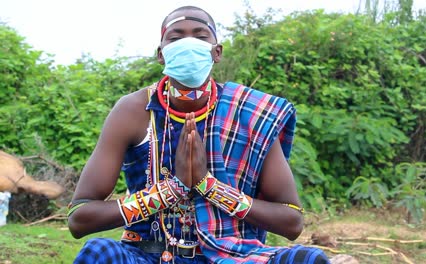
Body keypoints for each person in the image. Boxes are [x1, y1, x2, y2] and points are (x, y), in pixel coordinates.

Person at [67, 5, 330, 264]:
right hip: (147, 255)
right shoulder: (133, 111)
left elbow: (292, 220)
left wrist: (208, 186)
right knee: (98, 253)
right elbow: (80, 217)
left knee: (307, 259)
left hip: (234, 255)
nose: (188, 43)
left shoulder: (249, 113)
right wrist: (173, 189)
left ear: (217, 52)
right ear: (161, 54)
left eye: (200, 36)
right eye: (176, 37)